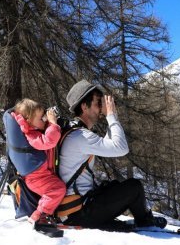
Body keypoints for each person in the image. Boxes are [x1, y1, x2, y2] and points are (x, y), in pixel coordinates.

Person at [59, 80, 167, 230]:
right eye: (98, 102)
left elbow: (111, 144)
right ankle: (146, 222)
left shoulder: (74, 133)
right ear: (84, 106)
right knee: (134, 187)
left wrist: (111, 116)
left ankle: (137, 219)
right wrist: (111, 116)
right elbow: (121, 148)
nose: (101, 107)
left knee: (115, 186)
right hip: (78, 214)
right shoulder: (81, 137)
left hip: (73, 209)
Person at [12, 99, 66, 227]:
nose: (44, 120)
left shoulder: (34, 132)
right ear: (29, 120)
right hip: (36, 178)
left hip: (40, 176)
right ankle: (40, 215)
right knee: (57, 189)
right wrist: (53, 124)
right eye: (40, 118)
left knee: (57, 188)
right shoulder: (31, 135)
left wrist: (48, 123)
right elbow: (49, 141)